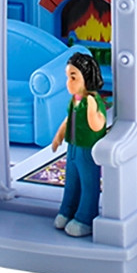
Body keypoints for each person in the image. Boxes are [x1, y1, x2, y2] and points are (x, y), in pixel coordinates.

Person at [52, 52, 108, 237]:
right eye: (68, 77)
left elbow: (98, 125)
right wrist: (59, 136)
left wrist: (92, 110)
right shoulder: (75, 100)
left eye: (73, 77)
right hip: (73, 147)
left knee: (88, 183)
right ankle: (67, 210)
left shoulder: (93, 101)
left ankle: (85, 218)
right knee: (71, 181)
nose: (68, 82)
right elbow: (69, 119)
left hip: (87, 148)